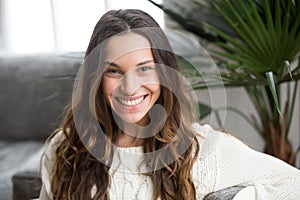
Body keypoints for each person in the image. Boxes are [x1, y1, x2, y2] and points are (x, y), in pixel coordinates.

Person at [39, 9, 300, 200]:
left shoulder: (203, 151)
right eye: (114, 71)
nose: (129, 88)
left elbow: (293, 183)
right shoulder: (65, 150)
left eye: (144, 69)